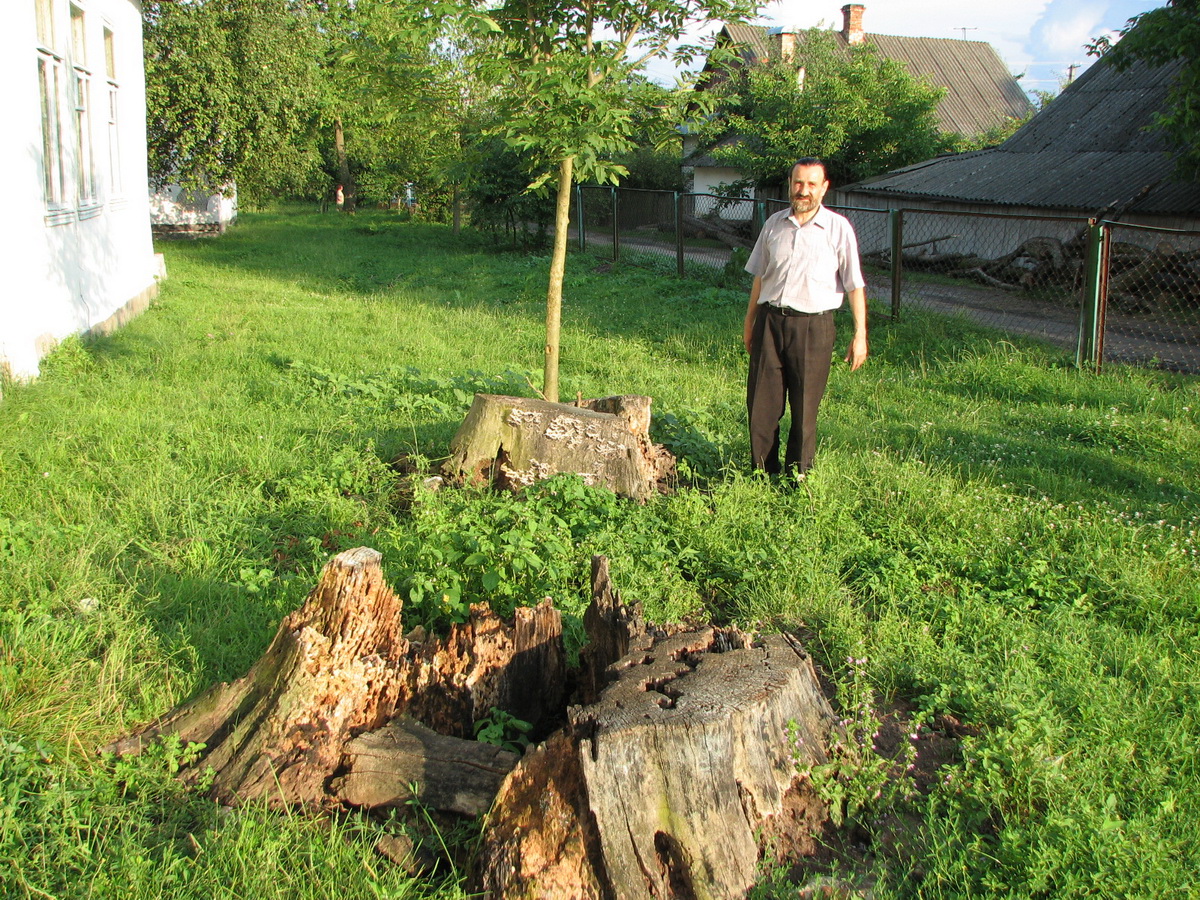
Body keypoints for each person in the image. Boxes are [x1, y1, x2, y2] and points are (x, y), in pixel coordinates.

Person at [743, 158, 868, 477]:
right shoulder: (773, 224)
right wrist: (749, 325)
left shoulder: (838, 228)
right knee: (761, 407)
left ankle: (798, 477)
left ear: (824, 188)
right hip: (770, 323)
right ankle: (762, 475)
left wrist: (860, 334)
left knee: (804, 408)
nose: (804, 190)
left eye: (812, 184)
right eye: (798, 183)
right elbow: (760, 277)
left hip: (814, 327)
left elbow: (855, 284)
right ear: (790, 184)